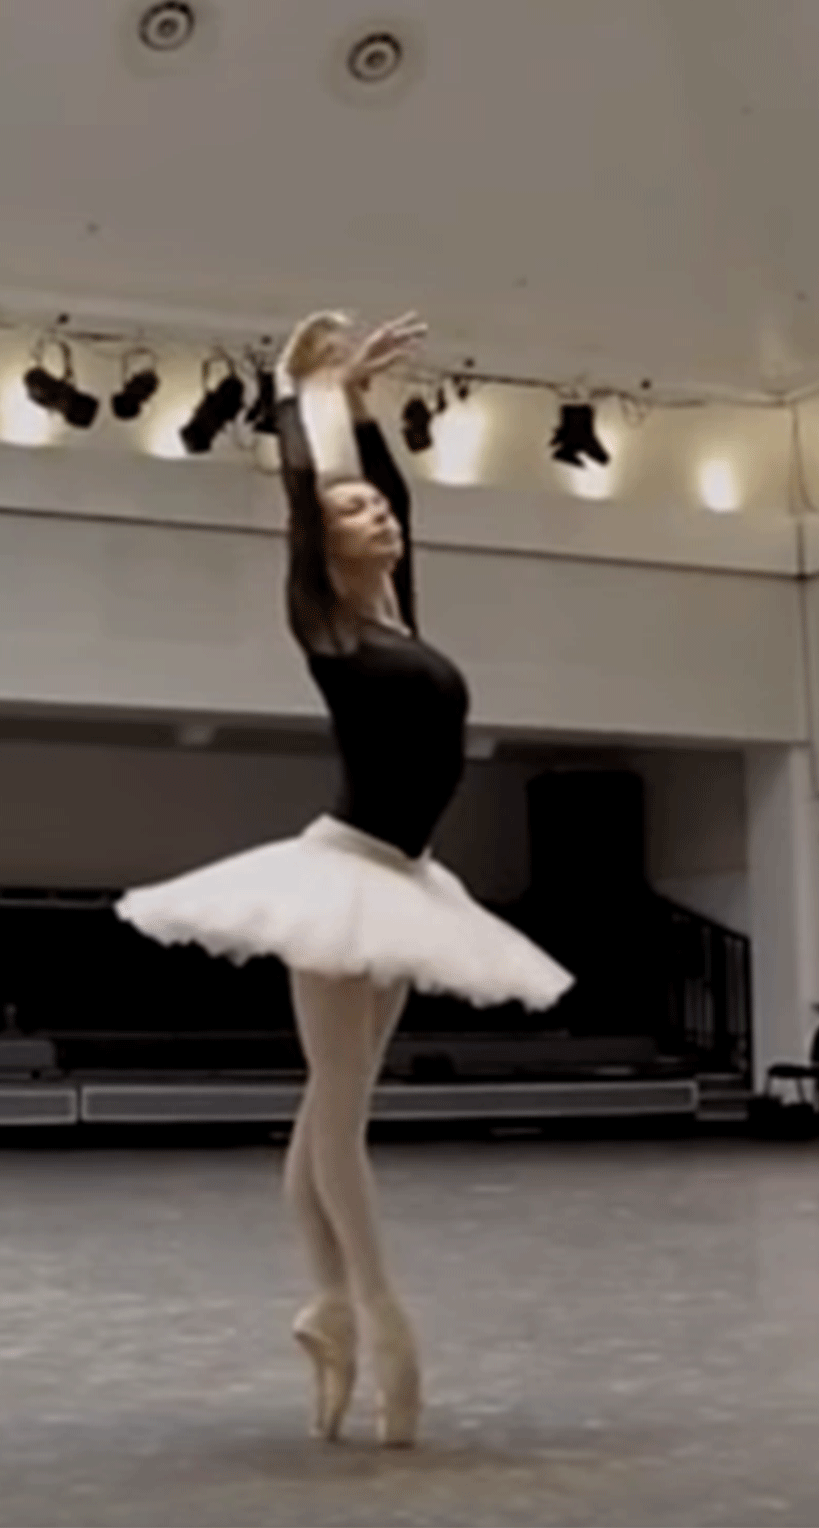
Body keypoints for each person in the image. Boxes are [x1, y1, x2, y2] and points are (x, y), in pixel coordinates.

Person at [116, 311, 572, 1446]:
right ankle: (377, 1309)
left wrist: (360, 413)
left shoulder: (398, 620)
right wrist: (297, 393)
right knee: (338, 1117)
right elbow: (302, 497)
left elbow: (392, 499)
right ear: (320, 551)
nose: (375, 513)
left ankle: (323, 1304)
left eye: (375, 506)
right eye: (353, 510)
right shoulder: (323, 627)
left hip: (408, 879)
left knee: (329, 1108)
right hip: (341, 875)